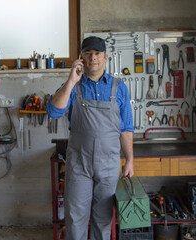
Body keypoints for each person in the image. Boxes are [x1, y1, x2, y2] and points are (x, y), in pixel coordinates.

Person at [46, 36, 134, 240]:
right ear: (81, 58)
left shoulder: (119, 88)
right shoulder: (73, 86)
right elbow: (54, 111)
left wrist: (129, 159)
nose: (93, 57)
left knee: (103, 220)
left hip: (109, 163)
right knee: (75, 218)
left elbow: (126, 128)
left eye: (97, 53)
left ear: (105, 57)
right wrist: (70, 81)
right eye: (88, 53)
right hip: (79, 163)